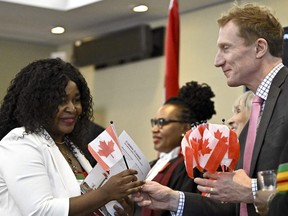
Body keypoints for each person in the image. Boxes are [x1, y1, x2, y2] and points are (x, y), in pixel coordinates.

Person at [132, 3, 288, 216]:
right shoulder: (259, 111)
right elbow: (236, 206)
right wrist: (173, 199)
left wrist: (253, 190)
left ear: (260, 48)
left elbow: (249, 193)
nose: (217, 61)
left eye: (226, 48)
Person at [0, 58, 143, 215]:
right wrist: (105, 194)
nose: (72, 108)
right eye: (61, 101)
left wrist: (117, 210)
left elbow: (83, 202)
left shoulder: (70, 145)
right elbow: (39, 211)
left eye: (76, 100)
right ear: (38, 104)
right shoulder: (20, 142)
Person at [140, 81, 216, 216]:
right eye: (155, 122)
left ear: (185, 127)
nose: (155, 129)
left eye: (162, 122)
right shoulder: (153, 165)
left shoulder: (192, 167)